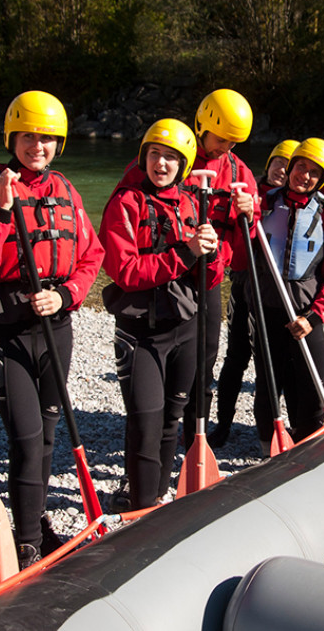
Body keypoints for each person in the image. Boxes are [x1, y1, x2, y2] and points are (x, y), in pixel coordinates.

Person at [0, 91, 104, 568]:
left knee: (47, 434)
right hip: (6, 330)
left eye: (47, 138)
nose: (38, 146)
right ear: (13, 137)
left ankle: (36, 517)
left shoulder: (66, 189)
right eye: (29, 136)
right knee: (26, 437)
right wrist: (2, 212)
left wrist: (67, 294)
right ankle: (26, 542)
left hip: (57, 324)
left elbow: (92, 256)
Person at [99, 119, 218, 511]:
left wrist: (213, 251)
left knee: (172, 417)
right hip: (141, 334)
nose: (162, 164)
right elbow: (126, 272)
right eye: (155, 155)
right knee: (145, 424)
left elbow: (211, 276)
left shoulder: (190, 203)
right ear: (143, 157)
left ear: (182, 165)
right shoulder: (125, 203)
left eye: (170, 157)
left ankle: (159, 493)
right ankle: (141, 504)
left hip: (185, 326)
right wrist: (185, 252)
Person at [250, 138, 324, 442]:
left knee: (310, 386)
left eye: (314, 172)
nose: (304, 175)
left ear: (322, 180)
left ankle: (308, 439)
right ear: (291, 166)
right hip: (269, 310)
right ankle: (269, 441)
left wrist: (315, 317)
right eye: (300, 166)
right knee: (268, 383)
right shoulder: (264, 203)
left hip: (307, 316)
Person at [182, 89, 259, 450]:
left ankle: (194, 430)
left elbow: (248, 237)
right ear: (202, 126)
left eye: (232, 141)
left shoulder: (238, 171)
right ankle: (166, 425)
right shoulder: (176, 155)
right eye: (220, 138)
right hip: (173, 272)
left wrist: (250, 212)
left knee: (207, 353)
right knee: (174, 352)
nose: (225, 146)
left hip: (210, 277)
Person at [210, 139, 298, 448]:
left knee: (270, 362)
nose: (282, 170)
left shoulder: (293, 202)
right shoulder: (246, 188)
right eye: (278, 162)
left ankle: (270, 425)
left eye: (288, 167)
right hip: (244, 286)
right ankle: (222, 422)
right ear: (269, 163)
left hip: (273, 295)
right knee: (236, 357)